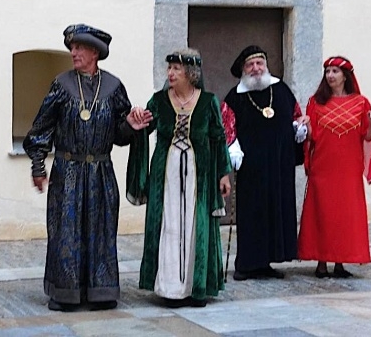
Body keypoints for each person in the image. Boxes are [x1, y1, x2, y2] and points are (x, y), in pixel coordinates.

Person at [23, 23, 149, 312]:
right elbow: (41, 129)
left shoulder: (114, 87)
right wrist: (38, 166)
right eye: (72, 48)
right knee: (65, 232)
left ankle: (101, 292)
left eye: (79, 48)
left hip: (100, 172)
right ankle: (65, 294)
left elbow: (119, 135)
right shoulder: (61, 85)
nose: (73, 53)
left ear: (94, 52)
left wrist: (131, 125)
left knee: (101, 231)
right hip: (67, 172)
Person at [127, 49, 232, 308]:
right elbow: (143, 128)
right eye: (169, 68)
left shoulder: (208, 101)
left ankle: (196, 288)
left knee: (196, 225)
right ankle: (170, 288)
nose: (170, 73)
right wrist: (137, 121)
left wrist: (223, 173)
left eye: (176, 69)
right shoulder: (159, 101)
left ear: (191, 73)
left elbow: (218, 138)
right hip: (166, 173)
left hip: (200, 175)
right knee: (170, 223)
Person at [223, 45, 309, 281]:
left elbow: (295, 116)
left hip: (279, 164)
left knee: (276, 211)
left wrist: (299, 129)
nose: (256, 68)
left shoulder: (281, 90)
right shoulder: (235, 97)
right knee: (253, 212)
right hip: (252, 167)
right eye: (250, 65)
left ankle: (267, 261)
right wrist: (233, 147)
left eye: (259, 63)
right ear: (243, 69)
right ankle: (247, 264)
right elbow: (226, 126)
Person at [298, 56, 371, 278]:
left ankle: (340, 262)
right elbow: (313, 137)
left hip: (348, 169)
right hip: (323, 167)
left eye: (335, 71)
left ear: (346, 76)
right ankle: (321, 262)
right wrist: (306, 126)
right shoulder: (316, 102)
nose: (330, 75)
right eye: (327, 71)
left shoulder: (361, 103)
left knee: (345, 214)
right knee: (322, 213)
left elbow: (366, 136)